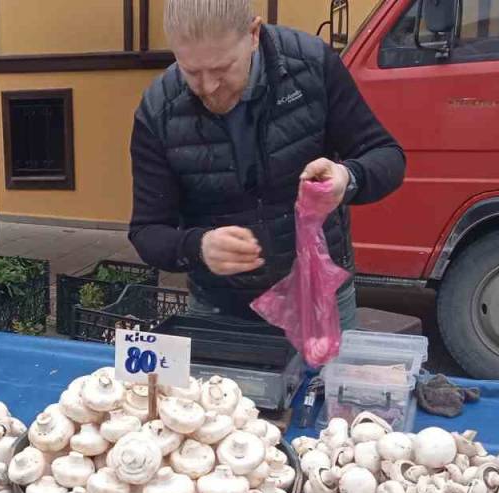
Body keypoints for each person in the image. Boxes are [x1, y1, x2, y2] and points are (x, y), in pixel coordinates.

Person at [129, 0, 406, 331]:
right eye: (190, 71)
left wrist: (347, 178)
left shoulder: (312, 66)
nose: (207, 88)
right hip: (219, 306)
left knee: (325, 384)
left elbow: (387, 155)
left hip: (319, 299)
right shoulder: (158, 110)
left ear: (253, 34)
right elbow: (146, 231)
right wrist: (198, 247)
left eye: (221, 69)